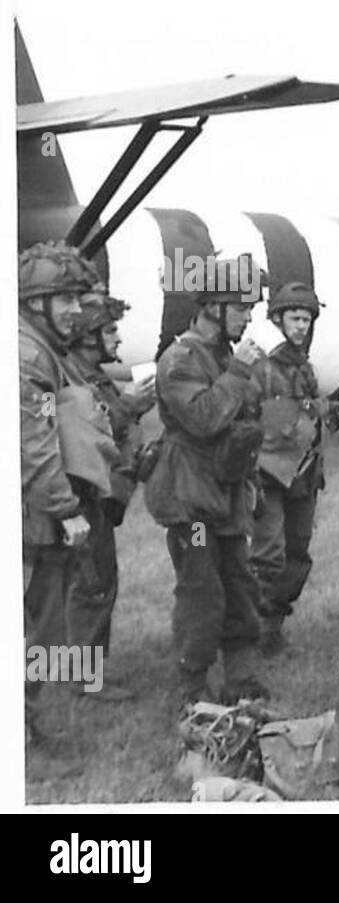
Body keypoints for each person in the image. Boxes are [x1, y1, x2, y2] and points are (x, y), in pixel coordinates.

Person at [144, 255, 272, 705]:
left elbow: (248, 422)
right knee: (203, 594)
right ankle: (192, 690)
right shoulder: (180, 359)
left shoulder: (225, 357)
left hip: (228, 493)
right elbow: (202, 418)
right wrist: (239, 372)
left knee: (239, 588)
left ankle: (241, 680)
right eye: (240, 308)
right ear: (213, 308)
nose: (247, 317)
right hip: (190, 499)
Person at [19, 241, 98, 765]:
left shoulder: (39, 347)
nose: (76, 310)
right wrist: (66, 509)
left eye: (78, 298)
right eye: (64, 299)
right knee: (33, 626)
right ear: (36, 302)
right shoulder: (27, 355)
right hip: (32, 516)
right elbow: (33, 441)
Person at [64, 288, 154, 701]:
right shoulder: (70, 381)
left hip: (95, 497)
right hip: (80, 497)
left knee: (93, 583)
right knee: (92, 586)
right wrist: (130, 407)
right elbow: (87, 432)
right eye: (110, 331)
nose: (118, 340)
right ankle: (83, 680)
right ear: (87, 336)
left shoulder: (93, 378)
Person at [249, 282, 333, 657]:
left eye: (307, 319)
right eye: (294, 318)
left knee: (298, 554)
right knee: (268, 554)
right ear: (278, 320)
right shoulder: (262, 368)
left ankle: (272, 629)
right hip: (268, 473)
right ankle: (248, 633)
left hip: (303, 473)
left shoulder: (306, 368)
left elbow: (310, 413)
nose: (301, 326)